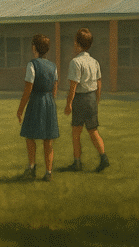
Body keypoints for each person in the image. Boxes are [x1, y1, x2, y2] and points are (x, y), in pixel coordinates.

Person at [64, 28, 110, 172]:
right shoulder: (94, 62)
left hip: (80, 99)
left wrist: (69, 104)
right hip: (91, 98)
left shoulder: (75, 62)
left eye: (74, 42)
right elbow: (99, 82)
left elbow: (73, 86)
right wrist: (96, 99)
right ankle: (104, 158)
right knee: (93, 130)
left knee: (76, 132)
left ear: (77, 44)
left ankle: (77, 162)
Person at [16, 34, 58, 181]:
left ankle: (32, 167)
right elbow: (54, 89)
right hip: (49, 103)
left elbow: (28, 90)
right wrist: (50, 101)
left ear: (34, 48)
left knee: (30, 136)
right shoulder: (53, 66)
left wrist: (20, 109)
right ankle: (48, 172)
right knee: (48, 139)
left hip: (36, 102)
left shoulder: (32, 65)